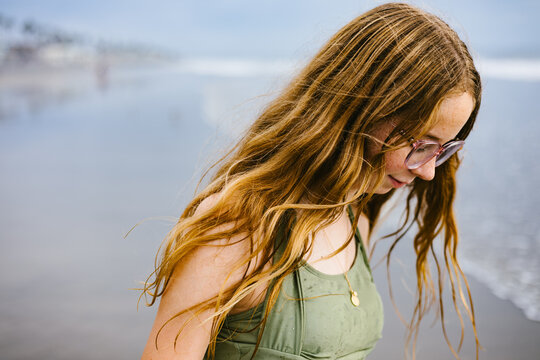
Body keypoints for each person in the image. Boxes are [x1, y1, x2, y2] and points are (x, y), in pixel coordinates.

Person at [140, 2, 482, 359]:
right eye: (422, 145)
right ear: (364, 109)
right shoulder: (239, 228)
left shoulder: (356, 219)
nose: (428, 171)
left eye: (443, 149)